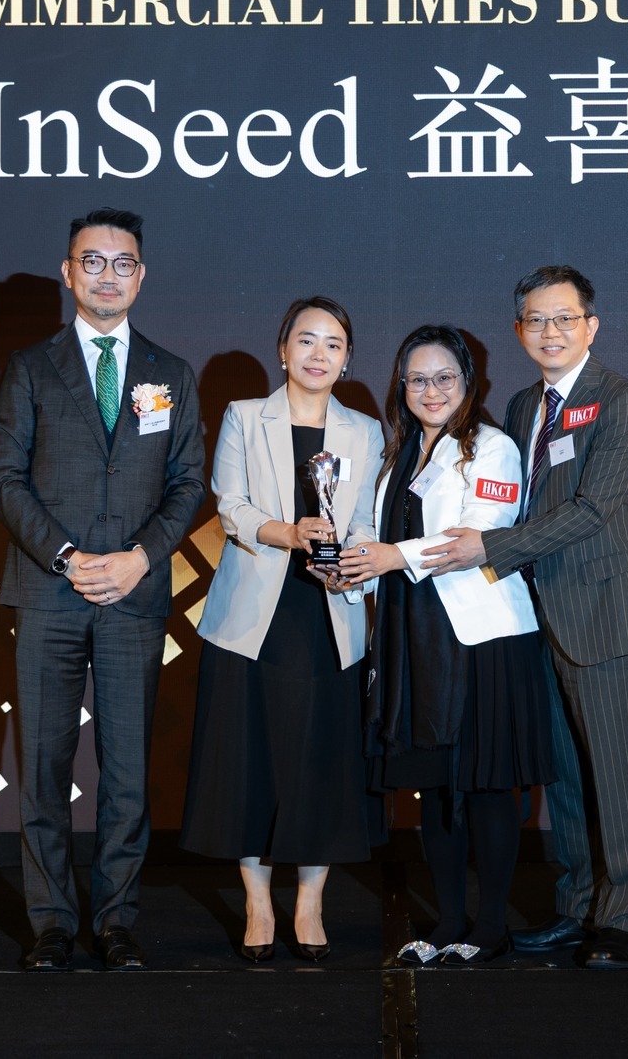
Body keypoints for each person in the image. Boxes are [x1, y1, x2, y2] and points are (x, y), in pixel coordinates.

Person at [0, 207, 206, 973]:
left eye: (122, 263)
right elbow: (4, 479)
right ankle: (50, 922)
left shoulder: (170, 372)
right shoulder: (30, 368)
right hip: (50, 592)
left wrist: (140, 557)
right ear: (68, 272)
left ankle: (116, 920)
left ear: (141, 276)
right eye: (93, 261)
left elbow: (188, 483)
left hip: (133, 596)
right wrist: (67, 555)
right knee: (43, 767)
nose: (107, 275)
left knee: (127, 771)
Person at [421, 266, 628, 970]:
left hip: (606, 618)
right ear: (519, 329)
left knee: (614, 777)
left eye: (564, 318)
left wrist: (488, 549)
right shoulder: (525, 404)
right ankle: (577, 907)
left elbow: (593, 511)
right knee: (564, 781)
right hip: (538, 619)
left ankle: (622, 920)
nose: (549, 331)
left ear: (591, 326)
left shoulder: (621, 401)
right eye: (535, 319)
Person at [332, 325, 556, 967]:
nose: (431, 391)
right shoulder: (397, 454)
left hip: (481, 640)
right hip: (411, 639)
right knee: (433, 790)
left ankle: (491, 927)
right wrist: (352, 570)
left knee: (486, 788)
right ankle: (449, 923)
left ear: (467, 382)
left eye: (444, 378)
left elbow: (475, 537)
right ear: (401, 386)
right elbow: (378, 542)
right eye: (417, 379)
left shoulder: (492, 447)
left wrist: (387, 557)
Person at [180, 296, 383, 962]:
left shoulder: (364, 430)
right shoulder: (245, 416)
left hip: (329, 612)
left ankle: (311, 901)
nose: (319, 354)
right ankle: (257, 901)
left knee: (321, 759)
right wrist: (289, 533)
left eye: (333, 343)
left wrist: (351, 567)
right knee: (249, 760)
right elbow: (231, 507)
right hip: (254, 614)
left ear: (347, 359)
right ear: (283, 349)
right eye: (306, 340)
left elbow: (368, 521)